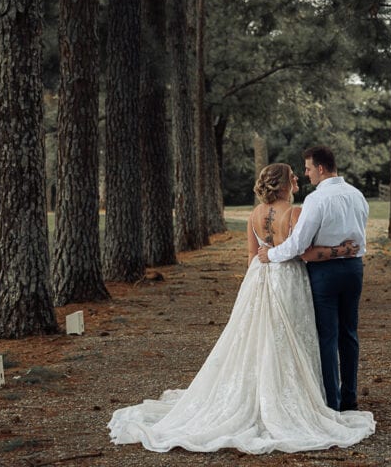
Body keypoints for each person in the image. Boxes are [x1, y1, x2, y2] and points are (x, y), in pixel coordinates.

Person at [108, 163, 375, 454]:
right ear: (284, 184)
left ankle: (259, 390)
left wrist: (256, 285)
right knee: (291, 336)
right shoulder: (295, 213)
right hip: (287, 279)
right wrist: (344, 250)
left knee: (258, 336)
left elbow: (252, 255)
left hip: (258, 277)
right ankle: (296, 395)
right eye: (292, 176)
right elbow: (304, 252)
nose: (298, 178)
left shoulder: (253, 215)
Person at [257, 145, 369, 412]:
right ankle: (350, 396)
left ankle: (333, 401)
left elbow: (298, 245)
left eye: (308, 169)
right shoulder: (357, 195)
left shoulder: (316, 201)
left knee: (327, 335)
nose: (306, 174)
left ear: (320, 168)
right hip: (354, 268)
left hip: (325, 272)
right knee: (349, 334)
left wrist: (271, 255)